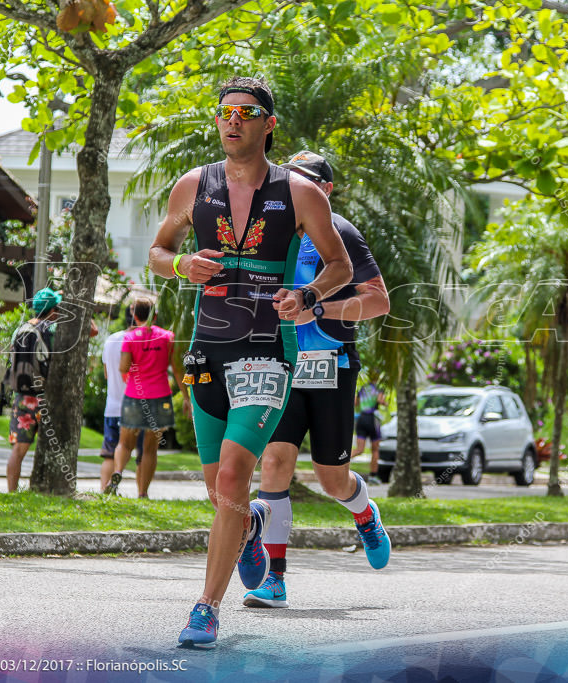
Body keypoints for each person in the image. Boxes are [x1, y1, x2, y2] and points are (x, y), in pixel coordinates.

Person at [148, 76, 352, 648]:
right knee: (220, 494)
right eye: (224, 111)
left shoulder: (301, 194)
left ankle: (205, 609)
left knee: (238, 474)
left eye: (246, 111)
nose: (233, 119)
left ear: (269, 123)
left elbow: (338, 266)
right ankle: (252, 529)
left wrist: (307, 296)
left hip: (267, 348)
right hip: (207, 346)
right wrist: (180, 265)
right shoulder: (193, 185)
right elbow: (157, 252)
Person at [242, 151, 391, 610]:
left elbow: (379, 301)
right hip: (280, 364)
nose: (294, 187)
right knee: (275, 465)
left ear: (325, 192)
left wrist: (320, 308)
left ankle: (364, 511)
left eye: (305, 181)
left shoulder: (340, 233)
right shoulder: (269, 233)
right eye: (290, 178)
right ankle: (276, 581)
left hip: (331, 365)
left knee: (332, 480)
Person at [4, 287, 97, 492]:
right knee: (54, 448)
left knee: (18, 450)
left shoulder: (20, 329)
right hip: (49, 397)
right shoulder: (56, 329)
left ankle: (11, 492)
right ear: (54, 310)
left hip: (23, 396)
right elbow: (93, 330)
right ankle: (50, 488)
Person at [103, 296, 188, 498]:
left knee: (125, 444)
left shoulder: (130, 338)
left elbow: (123, 367)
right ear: (155, 315)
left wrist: (135, 366)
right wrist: (186, 397)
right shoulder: (168, 337)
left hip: (134, 395)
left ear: (134, 314)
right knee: (150, 449)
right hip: (159, 395)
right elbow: (177, 369)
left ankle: (117, 473)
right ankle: (143, 493)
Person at [99, 306, 145, 494]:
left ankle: (105, 491)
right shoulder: (143, 341)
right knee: (142, 454)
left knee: (109, 455)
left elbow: (107, 374)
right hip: (137, 407)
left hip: (112, 406)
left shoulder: (110, 340)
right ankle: (142, 494)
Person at [352, 381, 386, 484]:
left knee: (359, 450)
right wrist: (385, 403)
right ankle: (373, 476)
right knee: (375, 450)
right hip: (372, 420)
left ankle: (339, 462)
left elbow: (355, 403)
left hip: (361, 419)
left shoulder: (363, 388)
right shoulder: (379, 387)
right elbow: (380, 400)